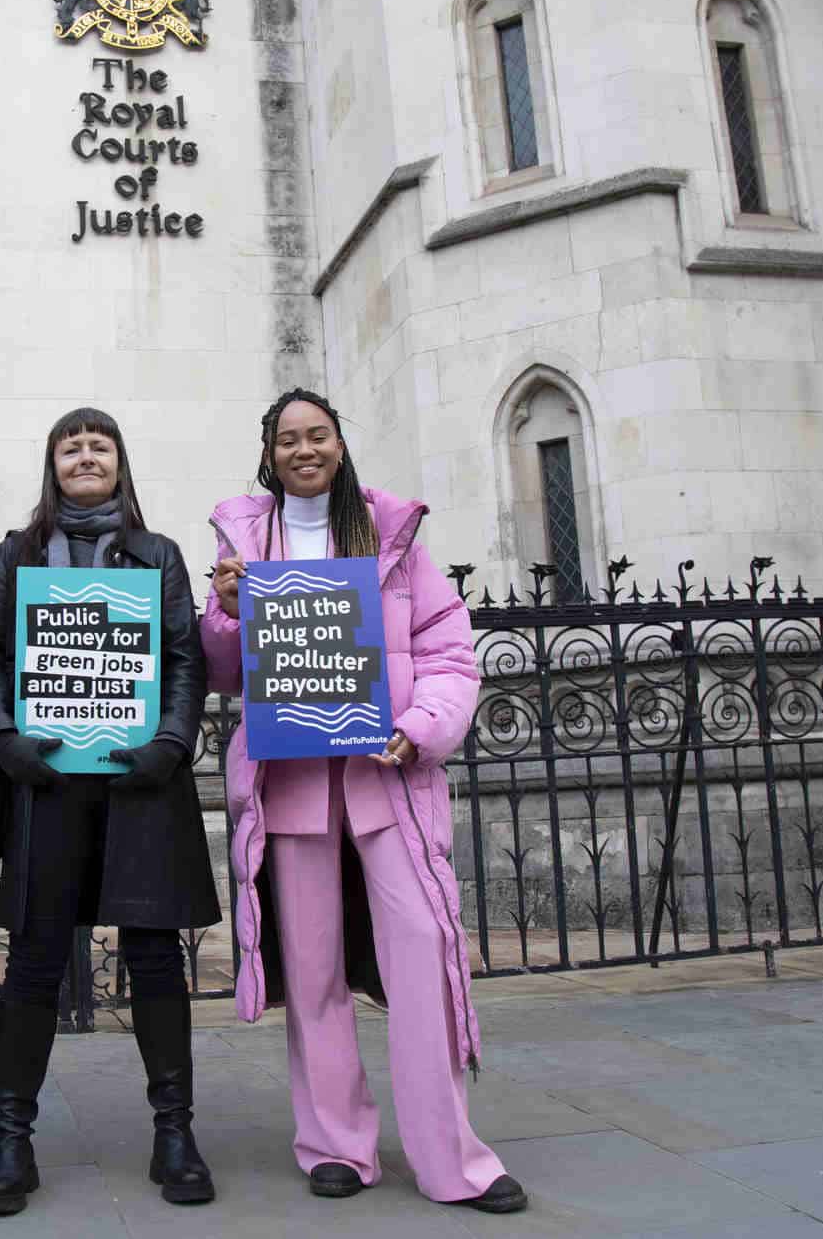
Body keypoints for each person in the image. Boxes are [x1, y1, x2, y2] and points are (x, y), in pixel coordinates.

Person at [200, 388, 528, 1215]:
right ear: (268, 455)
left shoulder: (394, 540)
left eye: (317, 436)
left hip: (388, 782)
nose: (302, 450)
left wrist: (419, 728)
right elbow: (223, 671)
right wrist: (229, 616)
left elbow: (450, 654)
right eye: (286, 440)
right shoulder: (246, 546)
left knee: (422, 960)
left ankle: (453, 1159)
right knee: (311, 973)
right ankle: (334, 1145)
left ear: (340, 446)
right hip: (294, 789)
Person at [0, 407, 220, 1216]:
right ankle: (13, 1142)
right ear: (52, 464)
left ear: (119, 463)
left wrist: (172, 743)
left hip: (141, 781)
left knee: (152, 955)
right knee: (35, 960)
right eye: (70, 446)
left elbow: (182, 656)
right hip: (47, 781)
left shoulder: (160, 555)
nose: (84, 455)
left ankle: (173, 1134)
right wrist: (2, 737)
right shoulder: (17, 554)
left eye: (97, 445)